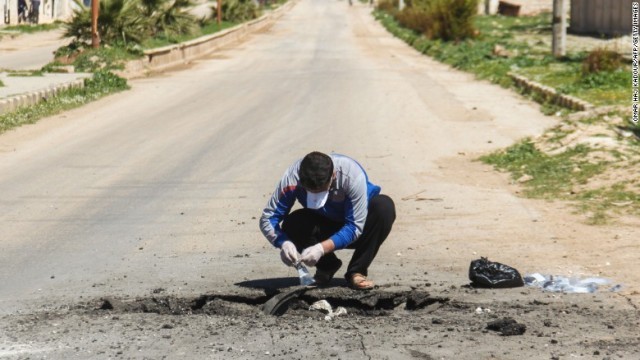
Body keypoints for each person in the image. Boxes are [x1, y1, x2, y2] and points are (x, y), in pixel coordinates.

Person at [259, 152, 395, 290]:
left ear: (333, 176)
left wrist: (321, 248)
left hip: (359, 226)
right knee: (293, 223)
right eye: (311, 193)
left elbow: (354, 227)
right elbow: (268, 218)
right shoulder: (292, 178)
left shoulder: (352, 175)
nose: (316, 196)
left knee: (384, 207)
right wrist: (283, 243)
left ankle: (357, 271)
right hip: (324, 222)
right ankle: (327, 267)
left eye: (321, 192)